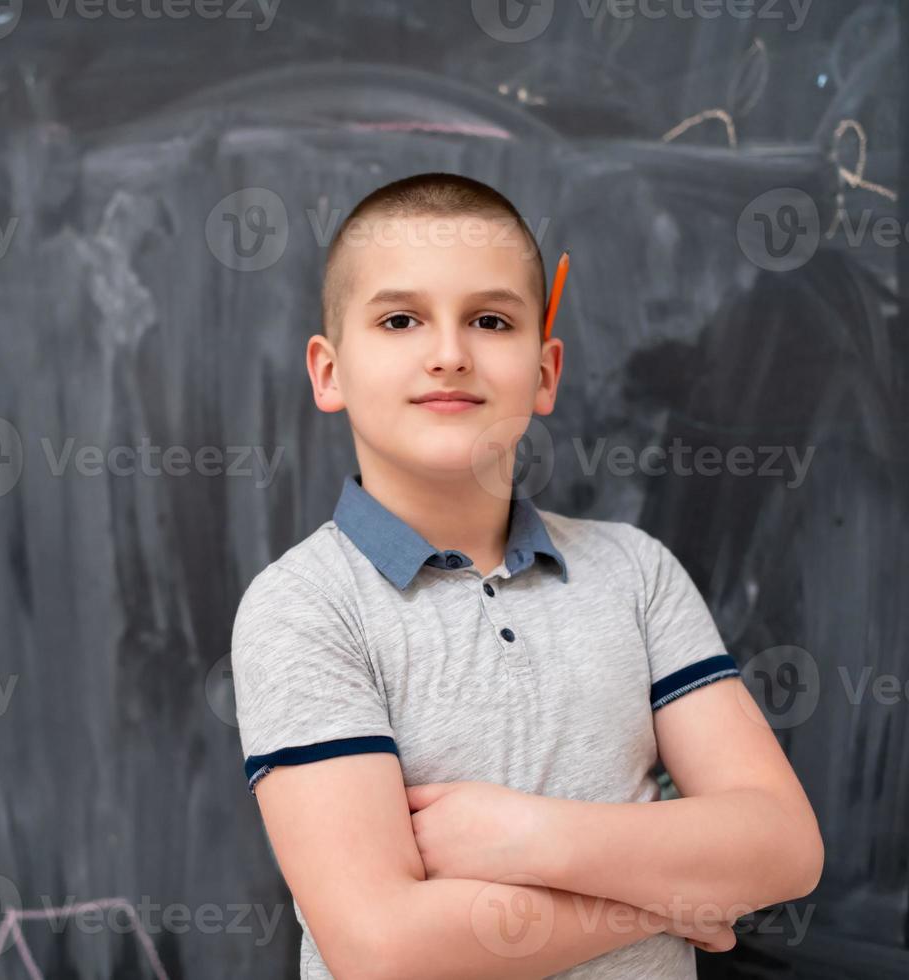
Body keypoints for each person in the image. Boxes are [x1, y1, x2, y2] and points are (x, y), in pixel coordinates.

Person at [230, 172, 823, 980]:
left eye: (490, 319)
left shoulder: (636, 574)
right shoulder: (304, 606)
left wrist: (524, 834)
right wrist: (669, 895)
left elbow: (783, 848)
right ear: (328, 372)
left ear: (544, 372)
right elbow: (384, 948)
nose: (449, 354)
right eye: (401, 319)